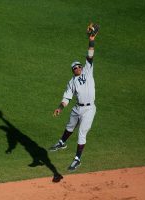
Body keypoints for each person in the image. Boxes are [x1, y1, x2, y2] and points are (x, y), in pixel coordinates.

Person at [49, 30, 98, 172]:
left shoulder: (88, 72)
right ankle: (62, 142)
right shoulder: (71, 82)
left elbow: (90, 56)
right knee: (70, 126)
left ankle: (77, 159)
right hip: (77, 108)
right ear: (72, 70)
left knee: (81, 133)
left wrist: (91, 40)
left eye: (78, 66)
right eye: (74, 68)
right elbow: (66, 97)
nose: (77, 68)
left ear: (82, 67)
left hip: (89, 109)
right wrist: (60, 107)